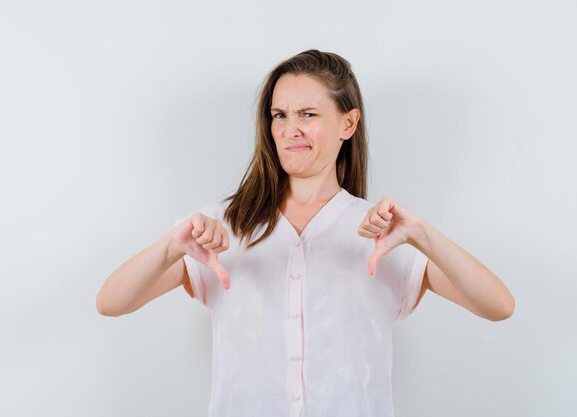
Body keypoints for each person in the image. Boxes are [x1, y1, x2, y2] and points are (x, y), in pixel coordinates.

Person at [96, 49, 515, 417]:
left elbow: (498, 306)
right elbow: (111, 302)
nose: (289, 129)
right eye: (280, 115)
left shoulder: (386, 231)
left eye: (308, 115)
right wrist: (172, 246)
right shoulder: (220, 226)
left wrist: (422, 234)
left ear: (348, 124)